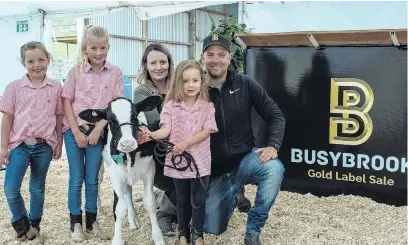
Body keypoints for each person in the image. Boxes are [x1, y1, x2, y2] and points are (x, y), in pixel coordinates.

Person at [201, 33, 286, 245]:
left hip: (244, 161)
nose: (215, 60)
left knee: (274, 168)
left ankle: (253, 230)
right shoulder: (195, 88)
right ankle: (234, 194)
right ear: (202, 57)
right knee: (213, 229)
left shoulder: (245, 84)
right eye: (210, 54)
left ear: (229, 57)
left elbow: (276, 115)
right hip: (213, 172)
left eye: (221, 54)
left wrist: (273, 145)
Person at [141, 59, 218, 245]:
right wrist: (152, 135)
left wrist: (185, 142)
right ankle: (183, 234)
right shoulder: (170, 106)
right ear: (178, 82)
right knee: (182, 200)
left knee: (198, 200)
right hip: (178, 162)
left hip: (201, 162)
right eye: (185, 81)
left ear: (201, 82)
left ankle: (198, 234)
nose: (190, 85)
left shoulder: (207, 108)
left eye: (195, 80)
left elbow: (206, 131)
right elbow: (165, 130)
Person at [62, 25, 124, 241]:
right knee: (76, 178)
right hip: (75, 131)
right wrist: (75, 131)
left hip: (98, 132)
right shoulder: (75, 72)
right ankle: (75, 223)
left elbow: (117, 103)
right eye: (94, 48)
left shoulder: (115, 72)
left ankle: (92, 221)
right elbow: (66, 102)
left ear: (108, 47)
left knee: (92, 179)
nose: (99, 53)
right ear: (85, 49)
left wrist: (99, 126)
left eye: (103, 48)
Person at [0, 41, 63, 241]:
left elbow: (59, 117)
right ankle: (21, 222)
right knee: (10, 187)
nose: (37, 65)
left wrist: (59, 143)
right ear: (23, 63)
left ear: (48, 60)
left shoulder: (56, 87)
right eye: (31, 61)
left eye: (41, 60)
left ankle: (34, 223)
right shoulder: (14, 87)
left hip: (43, 146)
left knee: (37, 186)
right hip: (19, 145)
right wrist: (3, 148)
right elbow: (7, 118)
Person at [132, 42, 178, 234]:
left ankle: (166, 202)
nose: (159, 67)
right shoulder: (142, 92)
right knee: (179, 184)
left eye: (162, 62)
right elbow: (154, 125)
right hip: (159, 154)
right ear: (146, 66)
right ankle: (165, 213)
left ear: (169, 62)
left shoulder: (180, 85)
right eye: (153, 63)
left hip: (186, 147)